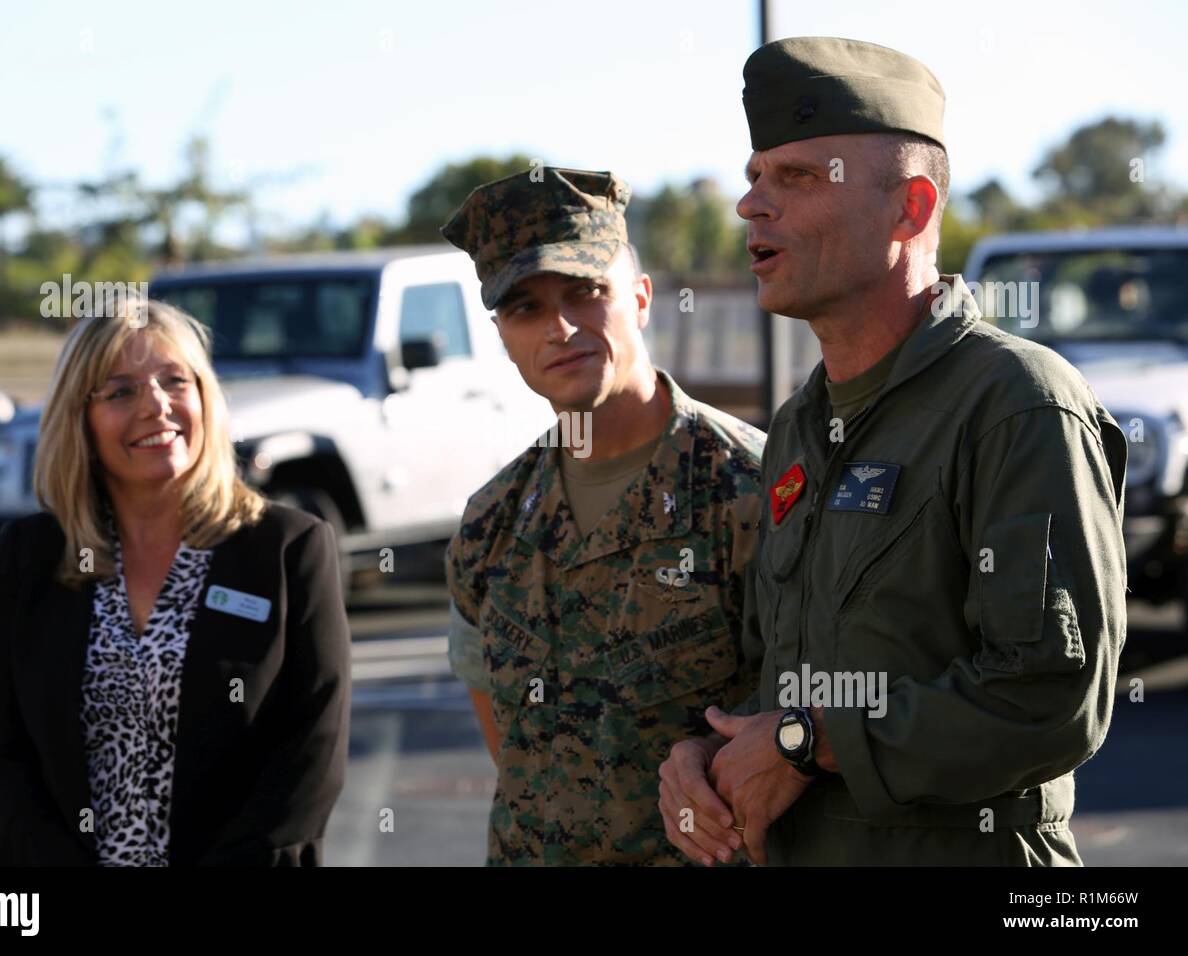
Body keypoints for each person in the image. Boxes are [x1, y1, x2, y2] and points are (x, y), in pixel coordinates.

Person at [658, 36, 1127, 866]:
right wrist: (708, 755)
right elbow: (781, 678)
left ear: (909, 209)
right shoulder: (803, 421)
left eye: (796, 178)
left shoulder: (1017, 403)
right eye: (754, 176)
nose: (750, 206)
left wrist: (808, 741)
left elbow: (1054, 696)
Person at [439, 167, 765, 865]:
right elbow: (509, 749)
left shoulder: (752, 487)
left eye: (586, 293)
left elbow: (807, 718)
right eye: (525, 308)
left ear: (641, 298)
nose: (559, 328)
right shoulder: (490, 523)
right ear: (501, 334)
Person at [0, 299, 351, 866]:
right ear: (80, 418)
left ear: (204, 398)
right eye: (120, 391)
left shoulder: (288, 548)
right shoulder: (29, 556)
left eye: (176, 381)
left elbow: (312, 750)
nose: (157, 406)